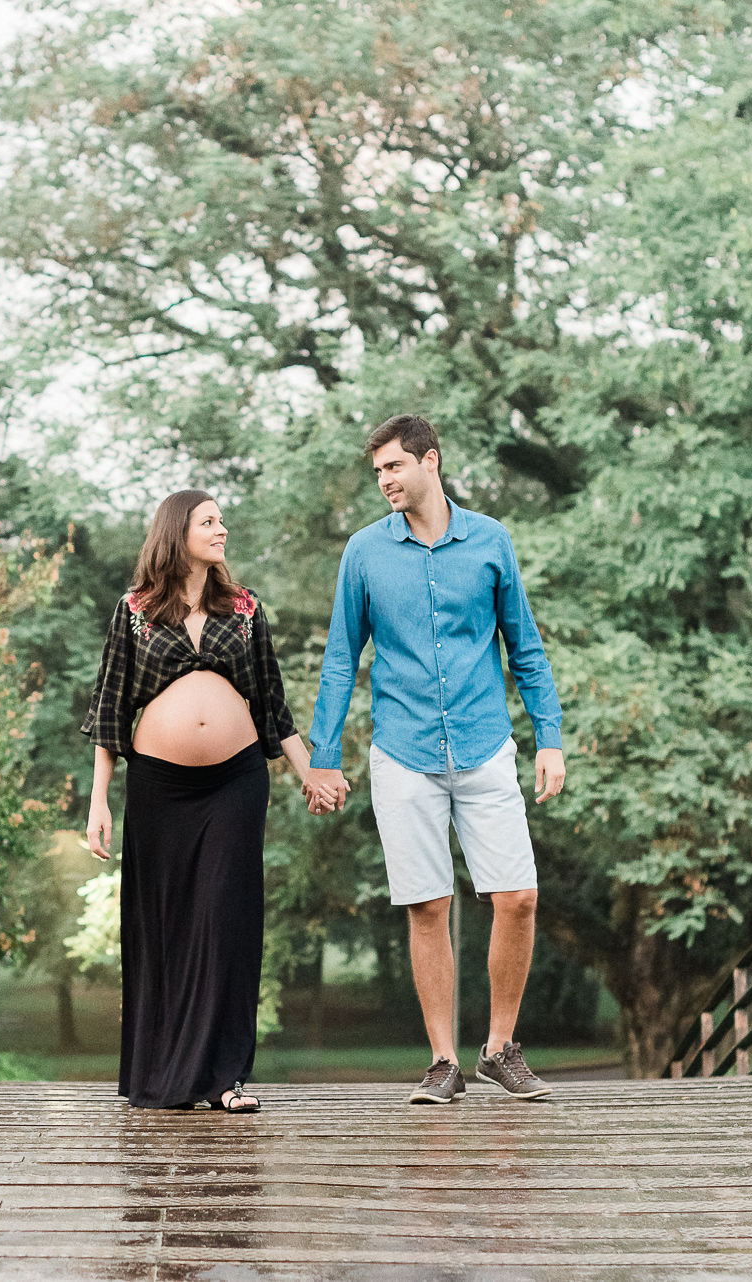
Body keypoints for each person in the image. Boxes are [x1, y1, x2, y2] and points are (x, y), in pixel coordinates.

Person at [305, 415, 566, 1105]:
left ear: (430, 461)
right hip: (403, 751)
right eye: (378, 472)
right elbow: (341, 659)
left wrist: (550, 736)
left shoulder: (490, 540)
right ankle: (443, 1061)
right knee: (427, 905)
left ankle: (500, 1049)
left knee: (518, 897)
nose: (385, 481)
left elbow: (525, 646)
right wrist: (323, 757)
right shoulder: (364, 552)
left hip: (484, 744)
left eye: (394, 466)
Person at [82, 489, 335, 1113]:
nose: (223, 530)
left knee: (227, 920)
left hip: (235, 782)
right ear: (178, 532)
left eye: (222, 521)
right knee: (165, 923)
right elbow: (111, 708)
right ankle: (162, 1074)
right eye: (209, 522)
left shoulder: (244, 609)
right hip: (159, 787)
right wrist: (99, 802)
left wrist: (311, 773)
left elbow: (273, 705)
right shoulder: (135, 610)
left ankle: (226, 1077)